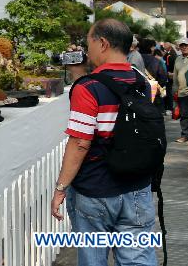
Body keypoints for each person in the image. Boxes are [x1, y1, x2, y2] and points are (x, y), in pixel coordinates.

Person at [51, 19, 156, 266]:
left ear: (103, 43)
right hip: (137, 187)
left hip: (96, 189)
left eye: (89, 43)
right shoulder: (140, 81)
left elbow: (80, 142)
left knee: (94, 260)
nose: (86, 51)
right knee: (138, 260)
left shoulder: (88, 88)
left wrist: (60, 188)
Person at [172, 38, 188, 143]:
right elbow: (175, 77)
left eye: (186, 45)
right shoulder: (178, 59)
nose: (183, 47)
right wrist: (175, 91)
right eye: (182, 45)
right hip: (182, 92)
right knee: (184, 115)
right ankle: (186, 135)